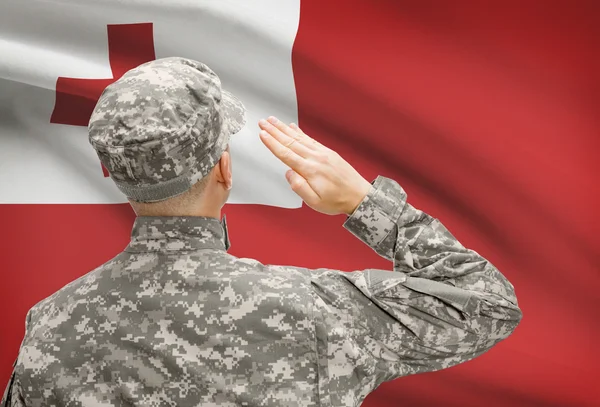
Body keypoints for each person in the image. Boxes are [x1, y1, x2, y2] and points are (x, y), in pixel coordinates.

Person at [1, 57, 522, 407]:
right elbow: (489, 304)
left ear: (110, 171)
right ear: (224, 168)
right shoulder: (317, 311)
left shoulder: (50, 326)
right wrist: (367, 204)